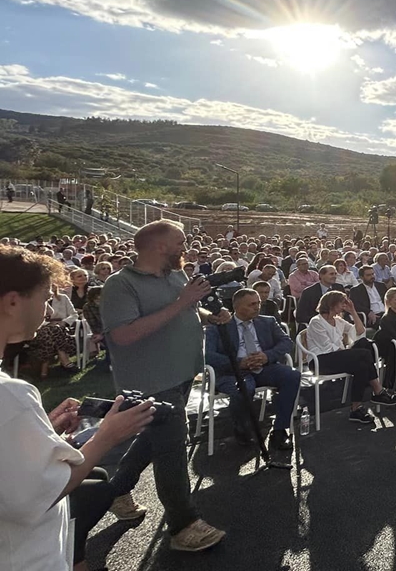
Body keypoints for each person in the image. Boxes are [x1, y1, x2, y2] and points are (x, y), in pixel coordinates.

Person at [0, 246, 157, 571]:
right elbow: (43, 492)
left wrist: (44, 429)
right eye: (44, 297)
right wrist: (106, 436)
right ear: (13, 301)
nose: (47, 308)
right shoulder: (11, 394)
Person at [99, 220, 227, 552]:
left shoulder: (176, 276)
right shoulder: (121, 284)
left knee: (152, 439)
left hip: (182, 373)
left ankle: (115, 491)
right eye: (180, 241)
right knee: (171, 449)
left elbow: (187, 310)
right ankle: (183, 526)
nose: (186, 246)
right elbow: (123, 334)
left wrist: (209, 316)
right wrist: (184, 302)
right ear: (159, 246)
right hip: (150, 381)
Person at [205, 289, 301, 449]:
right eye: (252, 304)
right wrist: (239, 363)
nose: (257, 307)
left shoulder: (267, 321)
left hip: (264, 367)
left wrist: (267, 356)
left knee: (292, 376)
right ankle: (241, 428)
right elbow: (208, 356)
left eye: (258, 303)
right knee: (244, 388)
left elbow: (287, 342)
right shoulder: (219, 326)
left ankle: (279, 430)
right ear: (237, 307)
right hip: (233, 372)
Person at [303, 291, 396, 423]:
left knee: (363, 361)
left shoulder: (338, 321)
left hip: (338, 357)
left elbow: (360, 332)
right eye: (342, 303)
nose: (344, 305)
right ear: (332, 304)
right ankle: (378, 390)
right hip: (320, 360)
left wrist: (353, 312)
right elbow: (327, 347)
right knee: (364, 354)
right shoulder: (316, 321)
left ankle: (355, 408)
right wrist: (349, 353)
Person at [33, 284, 78, 378]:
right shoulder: (34, 300)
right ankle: (65, 361)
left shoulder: (63, 298)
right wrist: (48, 324)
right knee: (52, 330)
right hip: (40, 329)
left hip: (61, 327)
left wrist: (64, 322)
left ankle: (44, 370)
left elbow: (74, 315)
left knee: (54, 331)